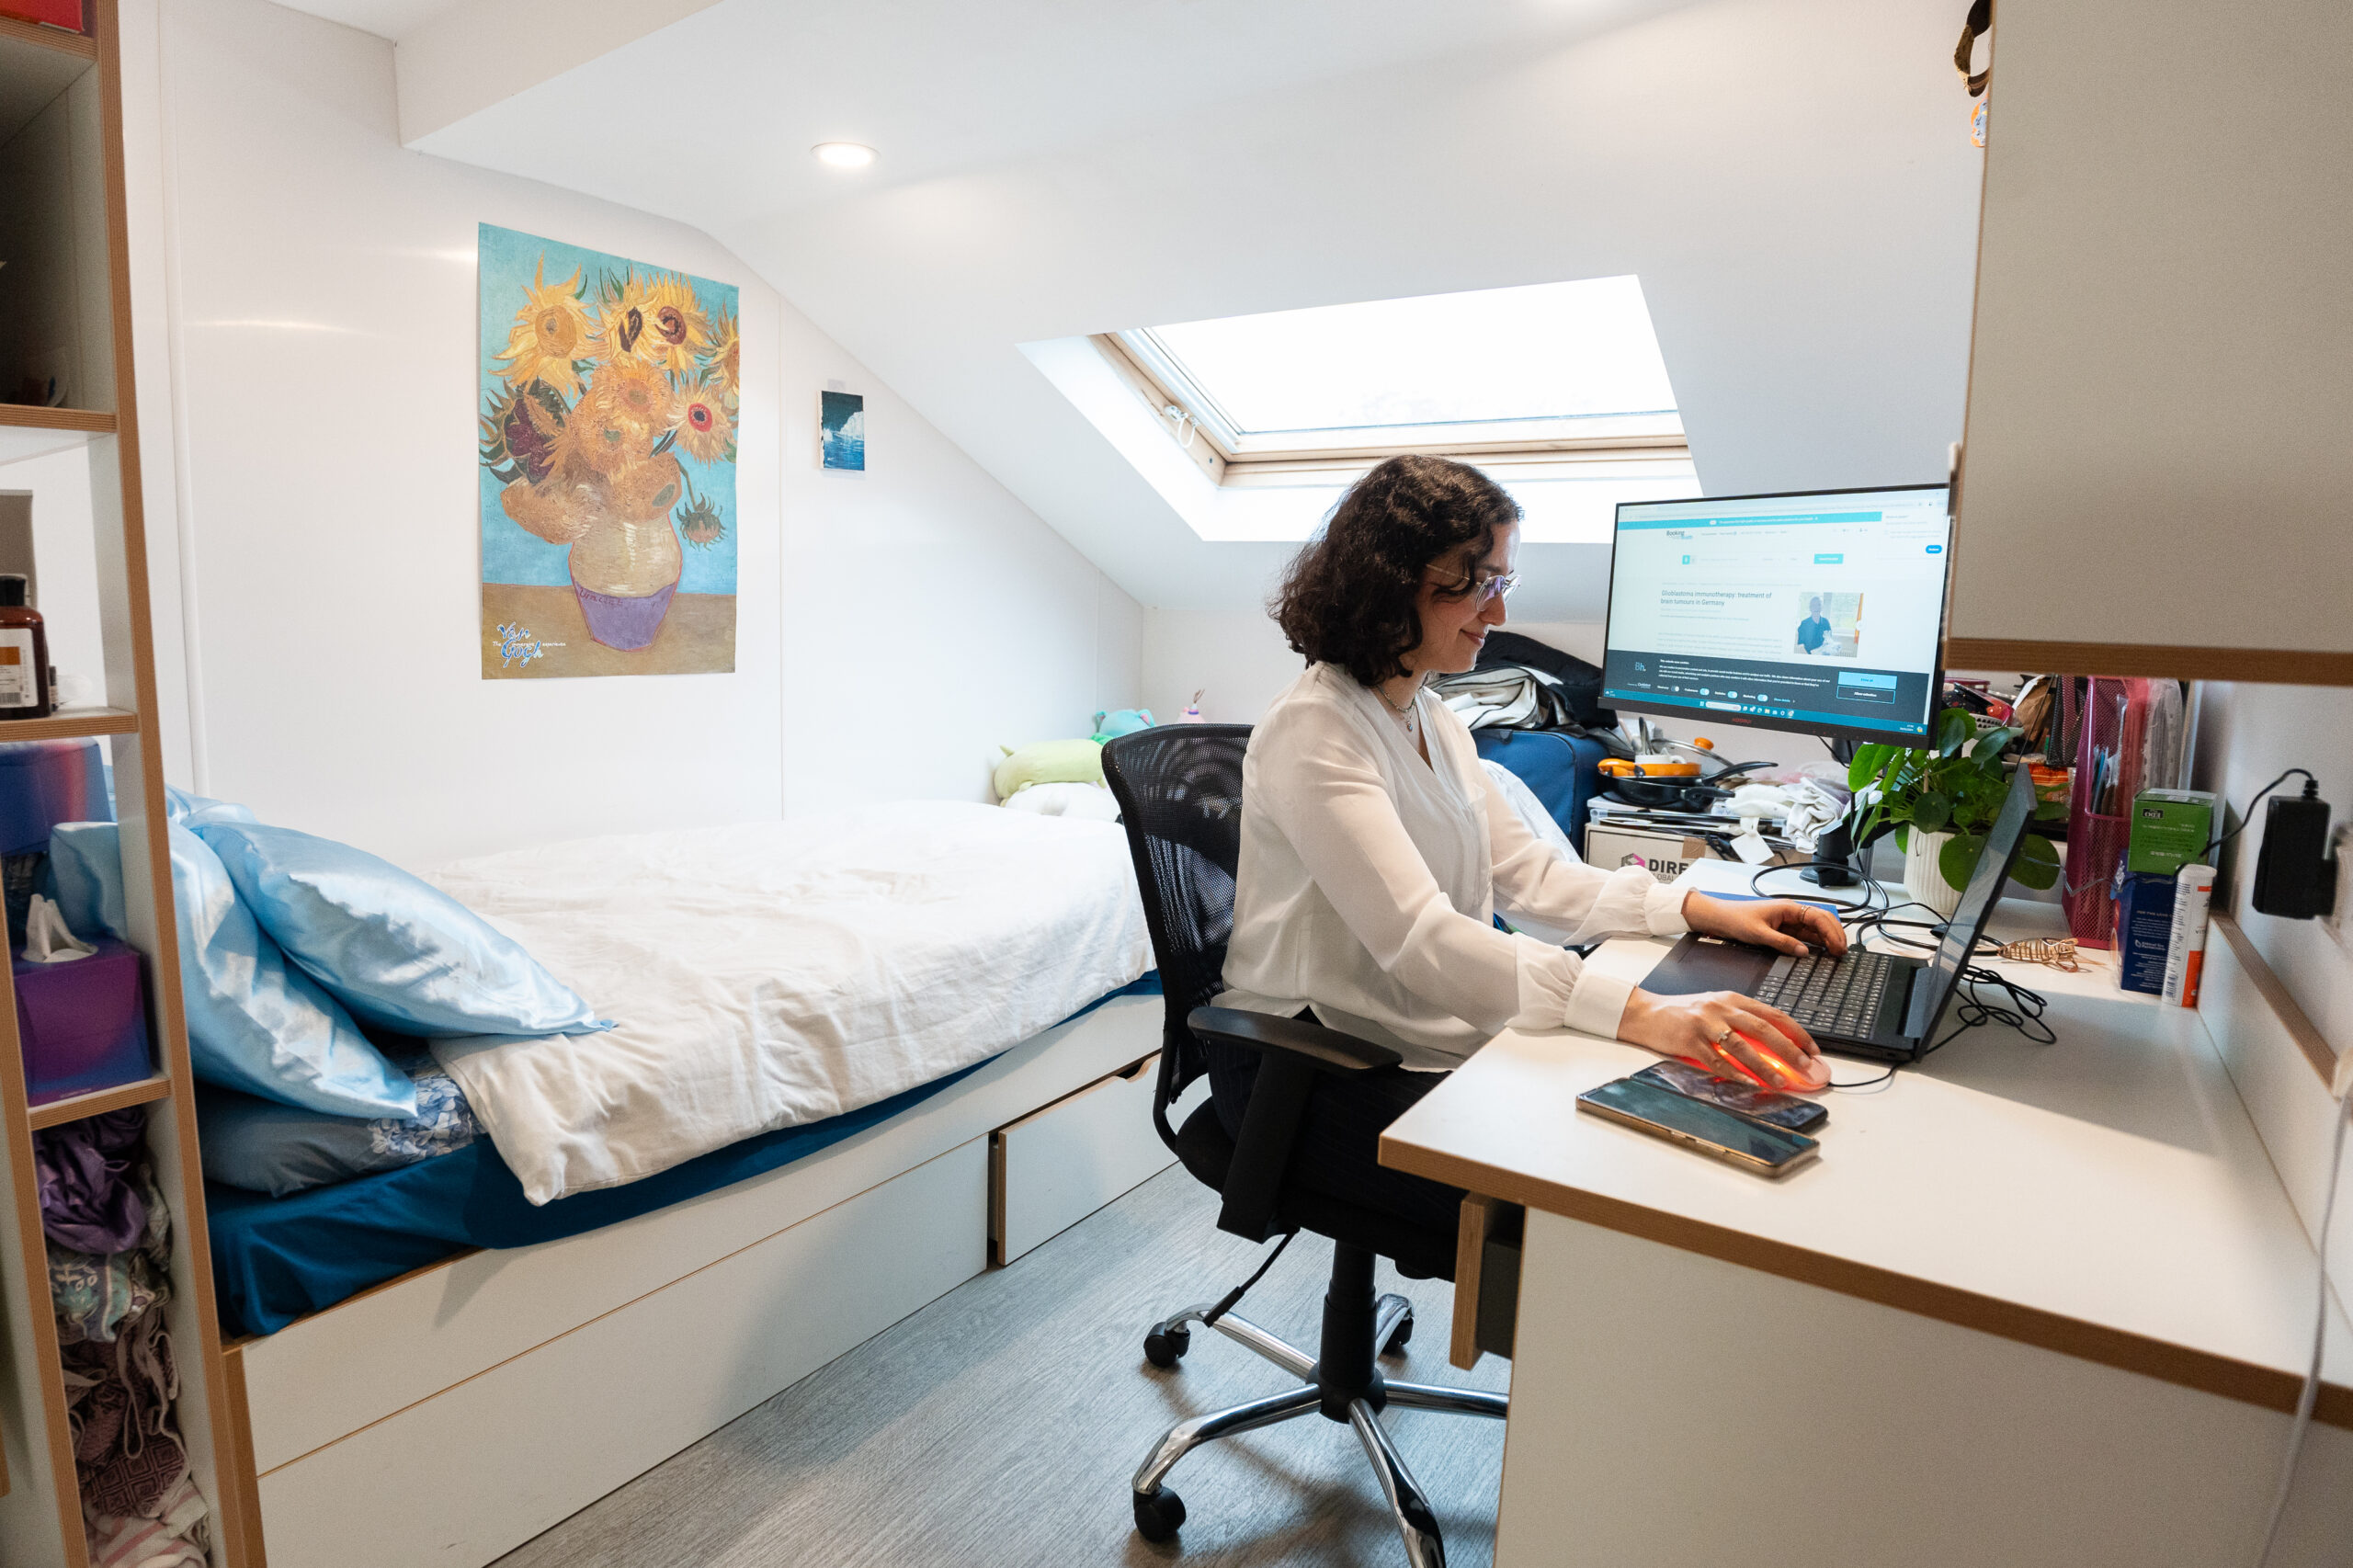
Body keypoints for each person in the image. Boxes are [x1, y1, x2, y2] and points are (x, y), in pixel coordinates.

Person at [1212, 455, 1845, 1236]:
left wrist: (1697, 908)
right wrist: (1643, 1011)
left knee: (1646, 1114)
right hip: (1312, 1067)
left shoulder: (1429, 716)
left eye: (1502, 584)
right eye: (1481, 584)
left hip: (1410, 1033)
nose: (1499, 615)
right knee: (1595, 1193)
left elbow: (1529, 876)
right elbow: (1421, 939)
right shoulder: (1316, 730)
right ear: (1390, 581)